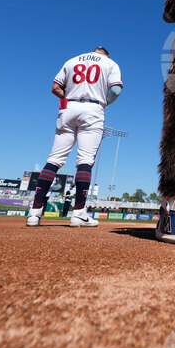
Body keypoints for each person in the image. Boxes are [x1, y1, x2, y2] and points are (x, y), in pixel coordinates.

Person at [27, 47, 122, 228]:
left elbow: (55, 88)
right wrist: (104, 103)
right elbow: (116, 90)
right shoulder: (110, 63)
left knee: (54, 159)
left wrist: (70, 98)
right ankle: (79, 214)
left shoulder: (72, 60)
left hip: (68, 107)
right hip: (93, 108)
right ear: (107, 54)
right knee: (85, 161)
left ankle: (34, 212)